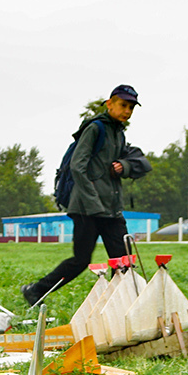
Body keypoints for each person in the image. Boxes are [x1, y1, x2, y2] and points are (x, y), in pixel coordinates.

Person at [20, 85, 153, 306]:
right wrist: (93, 203)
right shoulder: (95, 128)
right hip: (86, 209)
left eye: (131, 108)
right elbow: (77, 166)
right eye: (123, 105)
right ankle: (35, 291)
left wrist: (124, 166)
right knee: (81, 260)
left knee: (124, 260)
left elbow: (134, 161)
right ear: (109, 103)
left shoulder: (119, 133)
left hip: (110, 208)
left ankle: (120, 304)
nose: (127, 111)